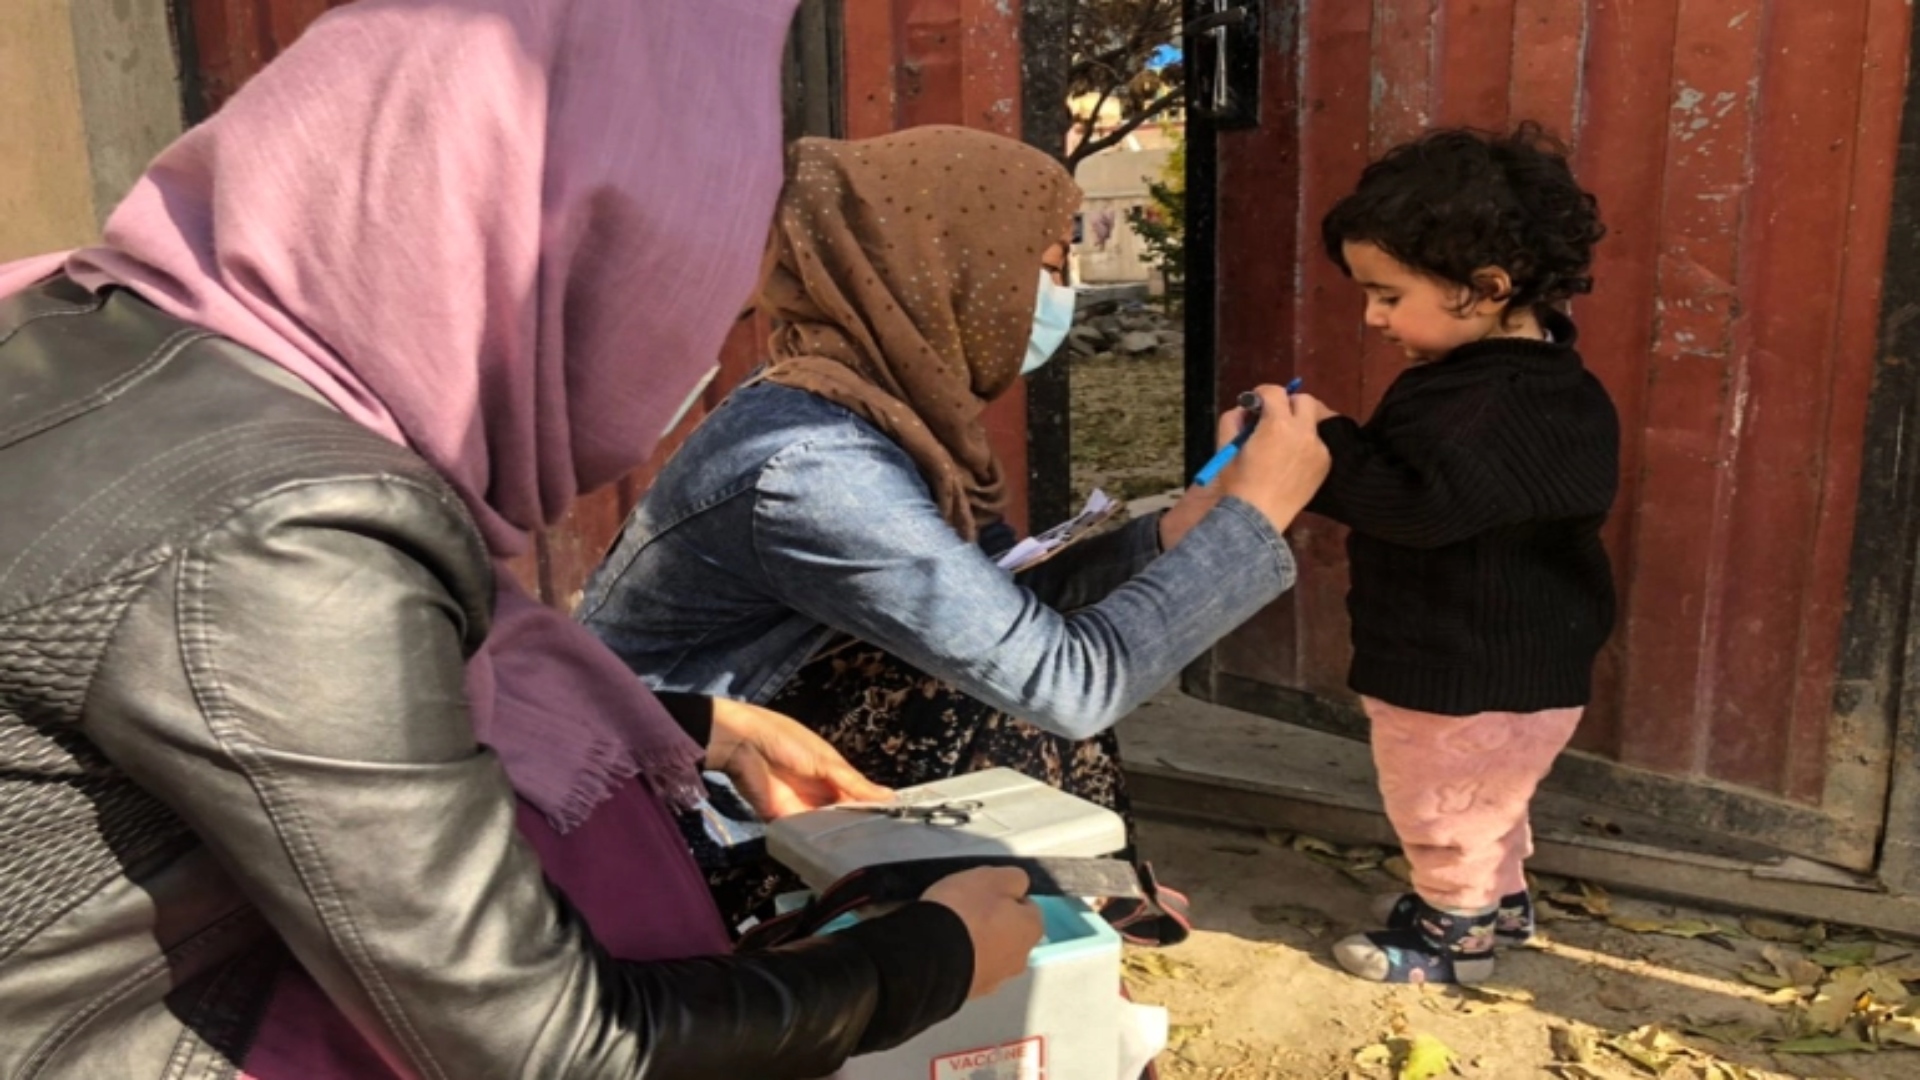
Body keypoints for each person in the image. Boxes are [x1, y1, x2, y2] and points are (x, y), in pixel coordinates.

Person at [0, 2, 1046, 1077]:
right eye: (684, 302)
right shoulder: (283, 528)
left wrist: (696, 722)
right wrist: (927, 960)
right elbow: (548, 1048)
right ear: (576, 262)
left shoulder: (97, 333)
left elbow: (315, 722)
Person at [579, 126, 1334, 930]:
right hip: (683, 813)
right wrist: (1256, 517)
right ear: (948, 269)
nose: (1059, 295)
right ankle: (1039, 916)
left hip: (772, 748)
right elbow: (1070, 684)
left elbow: (1001, 604)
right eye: (1047, 267)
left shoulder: (874, 412)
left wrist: (1179, 532)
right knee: (1011, 696)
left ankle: (1068, 903)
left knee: (1006, 672)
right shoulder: (814, 466)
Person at [1303, 124, 1619, 984]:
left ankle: (1454, 937)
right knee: (1491, 798)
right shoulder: (1558, 384)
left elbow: (1417, 505)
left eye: (1387, 294)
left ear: (1485, 290)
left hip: (1457, 666)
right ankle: (1498, 900)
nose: (1372, 316)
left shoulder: (1476, 406)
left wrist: (1316, 449)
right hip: (1532, 660)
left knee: (1441, 807)